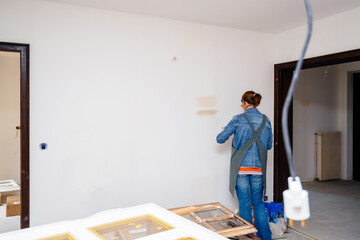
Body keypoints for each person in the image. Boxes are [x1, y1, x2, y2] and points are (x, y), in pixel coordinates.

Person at [216, 91, 272, 240]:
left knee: (245, 203)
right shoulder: (266, 121)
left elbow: (220, 139)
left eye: (242, 102)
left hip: (241, 168)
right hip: (258, 169)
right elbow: (268, 145)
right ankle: (265, 237)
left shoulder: (237, 119)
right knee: (258, 204)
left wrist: (230, 130)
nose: (241, 105)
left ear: (246, 103)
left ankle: (249, 236)